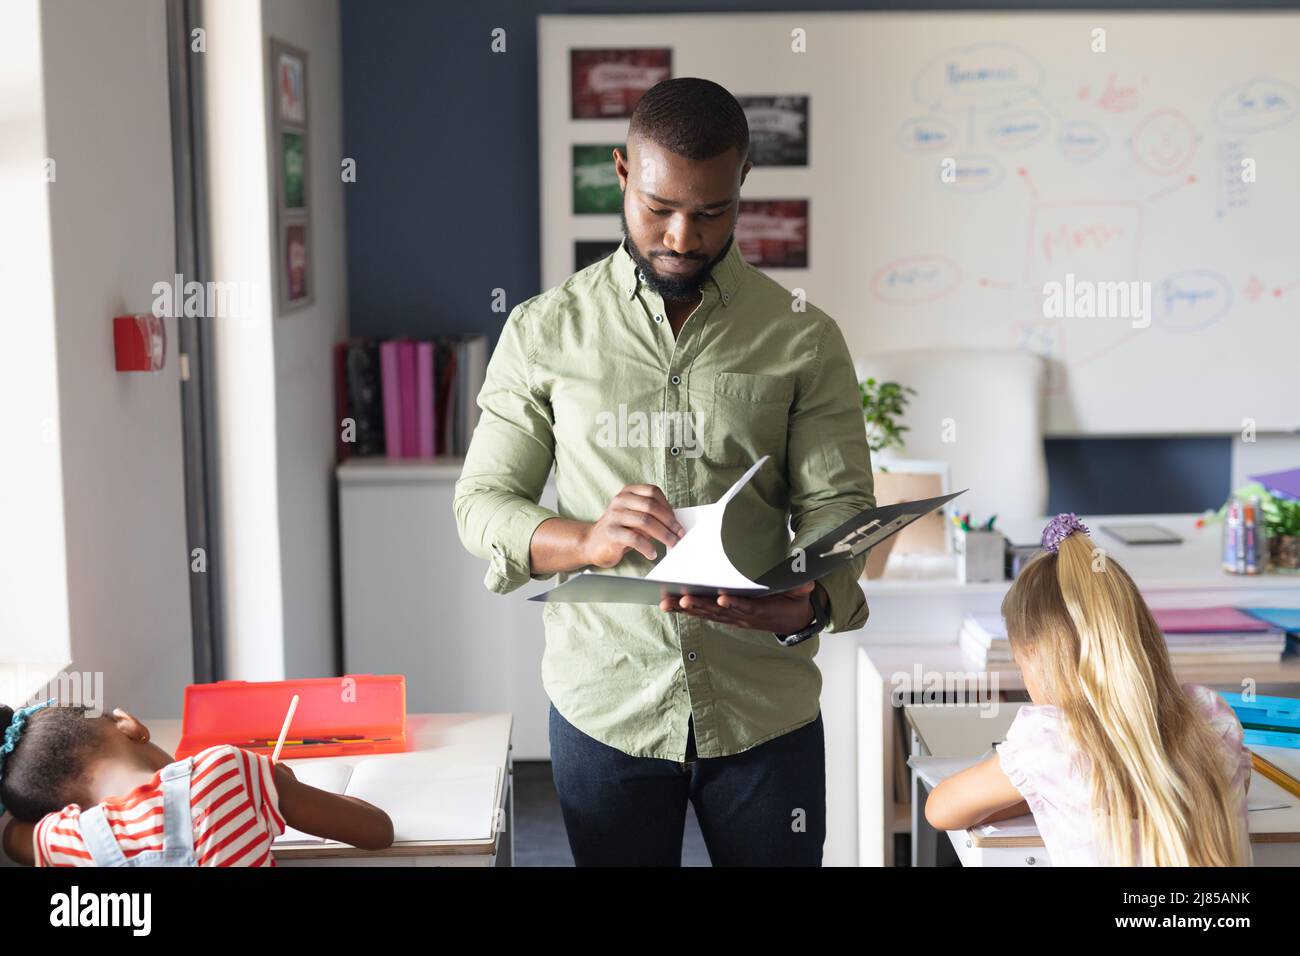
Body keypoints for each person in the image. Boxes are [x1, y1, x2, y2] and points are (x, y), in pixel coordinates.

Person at [454, 77, 874, 865]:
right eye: (658, 208)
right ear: (621, 173)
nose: (683, 235)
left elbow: (842, 507)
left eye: (711, 212)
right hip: (604, 703)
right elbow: (482, 504)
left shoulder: (804, 339)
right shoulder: (543, 331)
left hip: (764, 710)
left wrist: (812, 601)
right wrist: (584, 538)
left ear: (743, 185)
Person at [925, 514, 1252, 866]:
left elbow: (940, 809)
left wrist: (1032, 791)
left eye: (1020, 666)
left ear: (1033, 652)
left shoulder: (1049, 739)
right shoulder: (1212, 715)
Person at [0, 700, 393, 866]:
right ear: (130, 725)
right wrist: (276, 784)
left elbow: (14, 837)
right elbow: (377, 831)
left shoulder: (69, 838)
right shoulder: (227, 770)